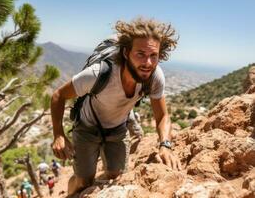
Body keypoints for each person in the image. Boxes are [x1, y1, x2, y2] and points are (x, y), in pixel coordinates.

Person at [51, 17, 182, 196]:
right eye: (141, 54)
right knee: (84, 180)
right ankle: (70, 194)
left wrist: (165, 145)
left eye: (154, 55)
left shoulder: (154, 77)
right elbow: (59, 95)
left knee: (116, 175)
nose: (148, 63)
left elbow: (162, 116)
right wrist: (58, 134)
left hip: (118, 129)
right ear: (126, 53)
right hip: (87, 128)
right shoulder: (99, 73)